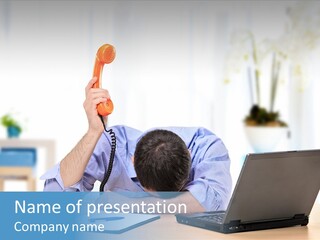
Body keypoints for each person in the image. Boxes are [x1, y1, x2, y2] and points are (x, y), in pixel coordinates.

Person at [41, 77, 232, 212]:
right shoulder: (113, 145)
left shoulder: (207, 147)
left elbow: (214, 201)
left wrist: (124, 204)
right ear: (132, 161)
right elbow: (55, 200)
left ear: (190, 156)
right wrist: (93, 133)